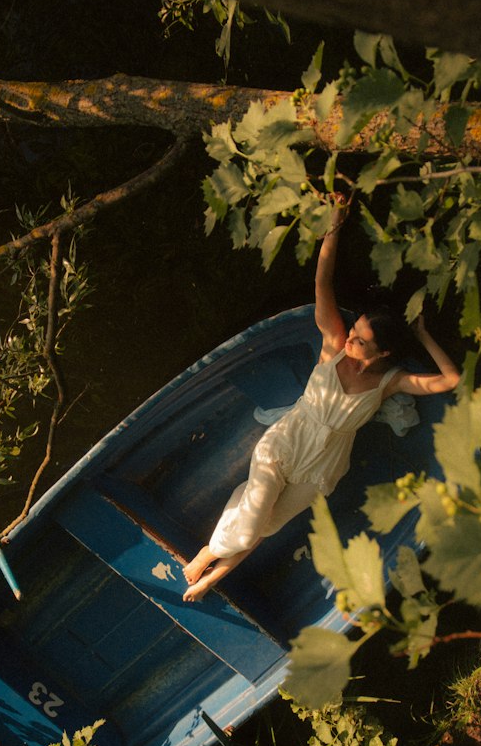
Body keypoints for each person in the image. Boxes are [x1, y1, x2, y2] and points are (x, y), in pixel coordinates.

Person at [181, 195, 460, 603]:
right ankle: (209, 552)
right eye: (355, 329)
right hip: (286, 444)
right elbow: (322, 284)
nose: (351, 337)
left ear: (382, 353)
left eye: (361, 340)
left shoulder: (391, 382)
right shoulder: (333, 346)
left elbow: (450, 380)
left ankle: (208, 575)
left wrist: (424, 337)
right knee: (250, 525)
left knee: (267, 526)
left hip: (322, 469)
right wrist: (334, 223)